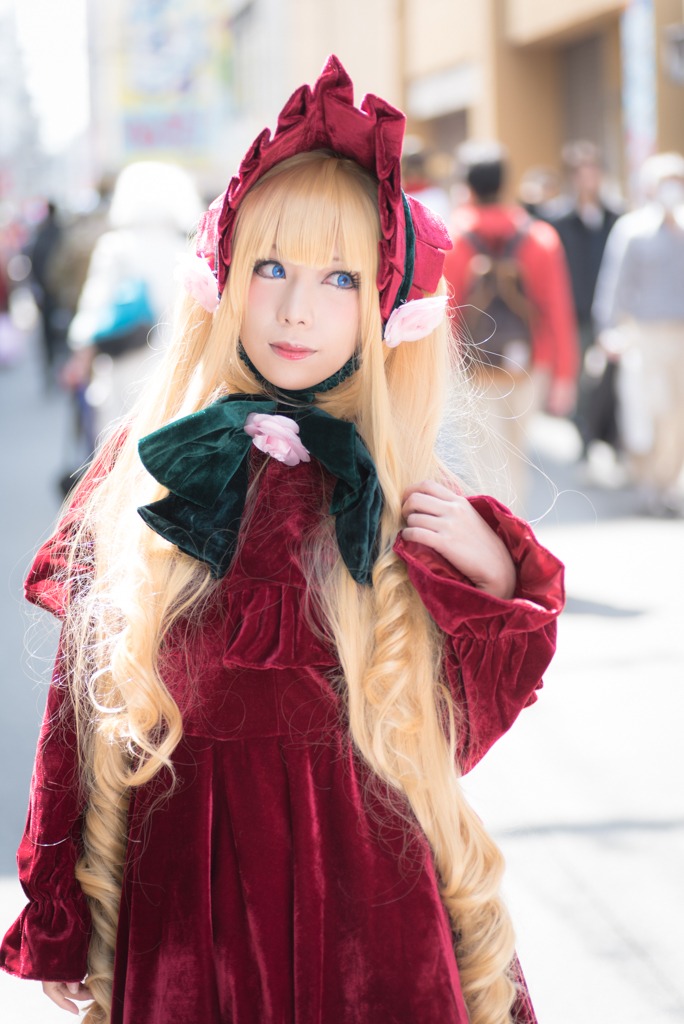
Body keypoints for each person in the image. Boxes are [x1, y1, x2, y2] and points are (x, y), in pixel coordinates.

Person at [0, 57, 565, 1024]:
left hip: (376, 915)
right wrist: (60, 908)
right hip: (187, 913)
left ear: (385, 302)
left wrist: (492, 569)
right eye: (272, 267)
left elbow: (469, 720)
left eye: (340, 277)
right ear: (223, 277)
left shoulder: (398, 491)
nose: (298, 308)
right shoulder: (147, 471)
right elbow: (75, 714)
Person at [444, 141, 579, 513]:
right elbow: (557, 311)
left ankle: (497, 534)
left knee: (483, 460)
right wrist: (565, 375)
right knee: (516, 456)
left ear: (467, 186)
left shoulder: (452, 239)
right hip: (530, 365)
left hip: (472, 368)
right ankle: (516, 527)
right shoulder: (539, 238)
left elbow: (446, 313)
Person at [592, 151, 684, 514]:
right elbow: (614, 286)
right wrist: (607, 330)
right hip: (644, 333)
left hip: (680, 333)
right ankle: (647, 484)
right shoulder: (633, 229)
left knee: (678, 413)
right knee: (648, 409)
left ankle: (667, 484)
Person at [549, 141, 622, 459]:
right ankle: (585, 437)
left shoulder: (616, 217)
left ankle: (611, 436)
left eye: (593, 170)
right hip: (574, 310)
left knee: (613, 375)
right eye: (581, 171)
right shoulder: (558, 220)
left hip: (611, 310)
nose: (587, 178)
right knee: (579, 379)